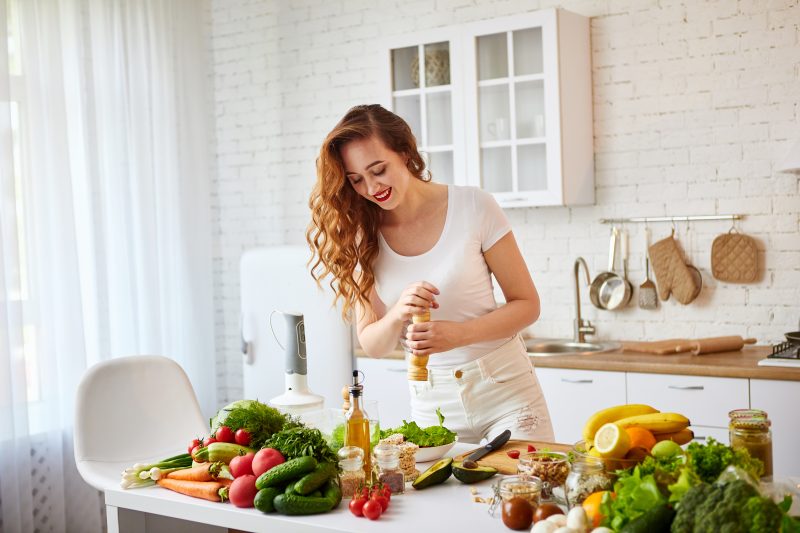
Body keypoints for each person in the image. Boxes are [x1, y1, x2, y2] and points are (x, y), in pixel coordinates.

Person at [307, 104, 553, 444]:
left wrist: (460, 335)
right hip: (432, 404)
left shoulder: (474, 206)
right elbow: (373, 344)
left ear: (405, 152)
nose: (371, 187)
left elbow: (527, 304)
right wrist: (398, 313)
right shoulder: (362, 235)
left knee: (526, 492)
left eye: (378, 169)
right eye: (356, 180)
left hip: (506, 392)